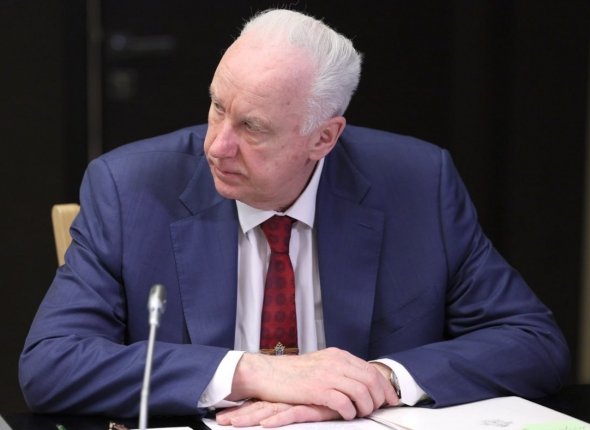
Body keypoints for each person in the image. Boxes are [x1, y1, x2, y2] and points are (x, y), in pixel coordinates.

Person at [20, 8, 569, 428]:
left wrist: (375, 381)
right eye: (217, 107)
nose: (218, 145)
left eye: (253, 128)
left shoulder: (419, 184)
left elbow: (533, 341)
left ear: (324, 138)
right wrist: (251, 371)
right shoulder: (129, 188)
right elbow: (50, 365)